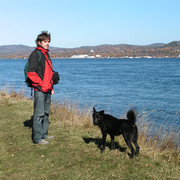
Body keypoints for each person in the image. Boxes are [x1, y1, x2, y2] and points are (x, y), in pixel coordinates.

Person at [27, 31, 54, 144]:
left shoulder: (46, 54)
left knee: (46, 112)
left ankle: (44, 133)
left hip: (48, 89)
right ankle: (37, 138)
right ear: (39, 42)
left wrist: (51, 86)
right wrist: (42, 85)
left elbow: (49, 72)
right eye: (45, 41)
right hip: (40, 89)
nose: (47, 43)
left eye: (48, 41)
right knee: (39, 114)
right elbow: (31, 72)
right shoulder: (35, 54)